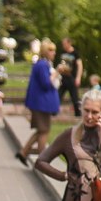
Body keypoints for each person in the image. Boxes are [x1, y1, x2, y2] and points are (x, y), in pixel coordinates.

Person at [16, 38, 61, 167]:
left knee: (41, 131)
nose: (54, 53)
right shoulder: (42, 65)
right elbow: (46, 83)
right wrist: (57, 72)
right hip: (41, 104)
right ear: (45, 51)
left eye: (54, 50)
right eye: (51, 50)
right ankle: (42, 160)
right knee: (44, 131)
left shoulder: (44, 64)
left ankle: (24, 152)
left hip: (42, 104)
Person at [56, 37, 83, 117]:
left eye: (64, 44)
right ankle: (54, 112)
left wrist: (78, 78)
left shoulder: (75, 53)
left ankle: (78, 115)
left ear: (69, 43)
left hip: (72, 78)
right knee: (58, 96)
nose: (63, 45)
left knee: (75, 98)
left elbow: (80, 66)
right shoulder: (63, 52)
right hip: (63, 79)